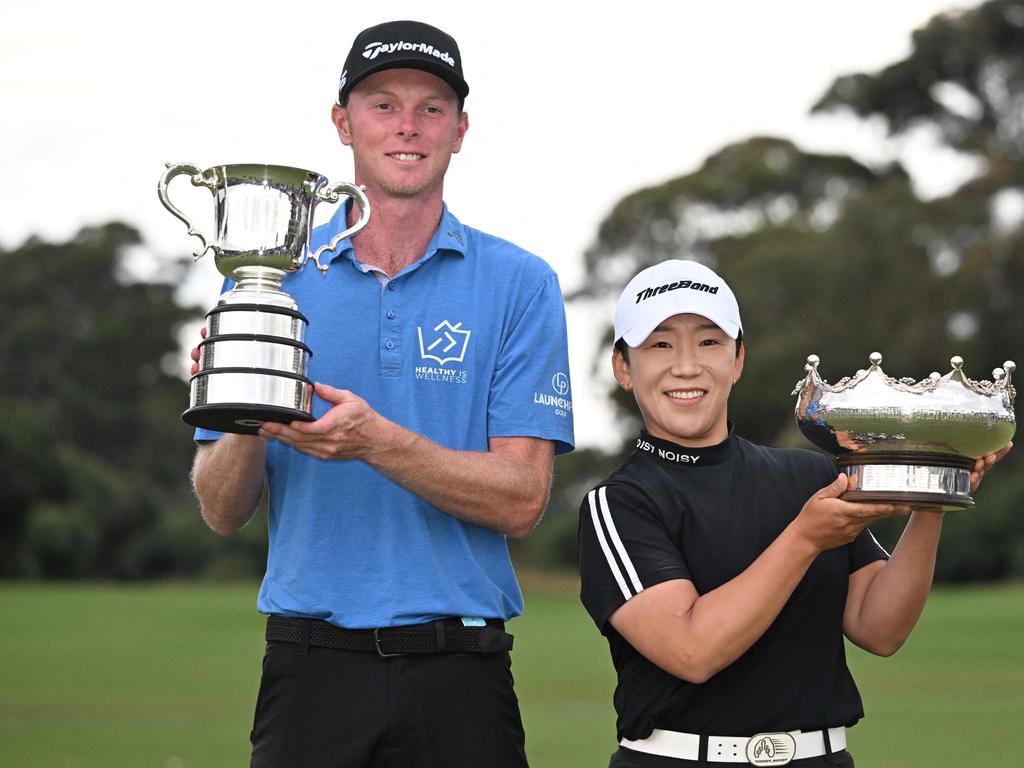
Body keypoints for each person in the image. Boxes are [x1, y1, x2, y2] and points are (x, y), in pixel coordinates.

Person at [189, 20, 574, 768]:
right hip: (310, 667)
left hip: (462, 666)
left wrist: (376, 442)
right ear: (343, 123)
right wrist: (244, 408)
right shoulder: (268, 280)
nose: (407, 126)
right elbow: (220, 510)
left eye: (431, 108)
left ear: (460, 130)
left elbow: (522, 499)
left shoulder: (521, 282)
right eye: (382, 104)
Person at [577, 259, 1009, 768]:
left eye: (710, 342)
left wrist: (935, 494)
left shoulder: (806, 476)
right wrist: (804, 539)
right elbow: (693, 651)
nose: (687, 366)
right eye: (660, 344)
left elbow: (880, 628)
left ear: (738, 360)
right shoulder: (621, 501)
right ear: (624, 368)